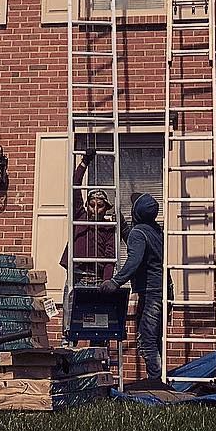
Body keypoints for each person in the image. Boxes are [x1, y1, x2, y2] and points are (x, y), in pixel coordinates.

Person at [100, 192, 170, 383]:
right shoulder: (155, 230)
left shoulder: (139, 234)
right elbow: (132, 238)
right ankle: (159, 377)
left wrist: (115, 282)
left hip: (151, 293)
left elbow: (134, 260)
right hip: (163, 290)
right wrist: (120, 219)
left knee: (146, 339)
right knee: (155, 337)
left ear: (137, 212)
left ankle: (155, 380)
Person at [60, 150, 115, 339]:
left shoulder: (109, 227)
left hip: (97, 277)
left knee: (97, 317)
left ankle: (99, 348)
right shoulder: (80, 216)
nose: (95, 209)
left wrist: (108, 281)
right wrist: (84, 163)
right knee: (70, 309)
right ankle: (68, 342)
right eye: (92, 204)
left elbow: (110, 256)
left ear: (105, 208)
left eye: (100, 206)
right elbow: (75, 187)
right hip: (78, 274)